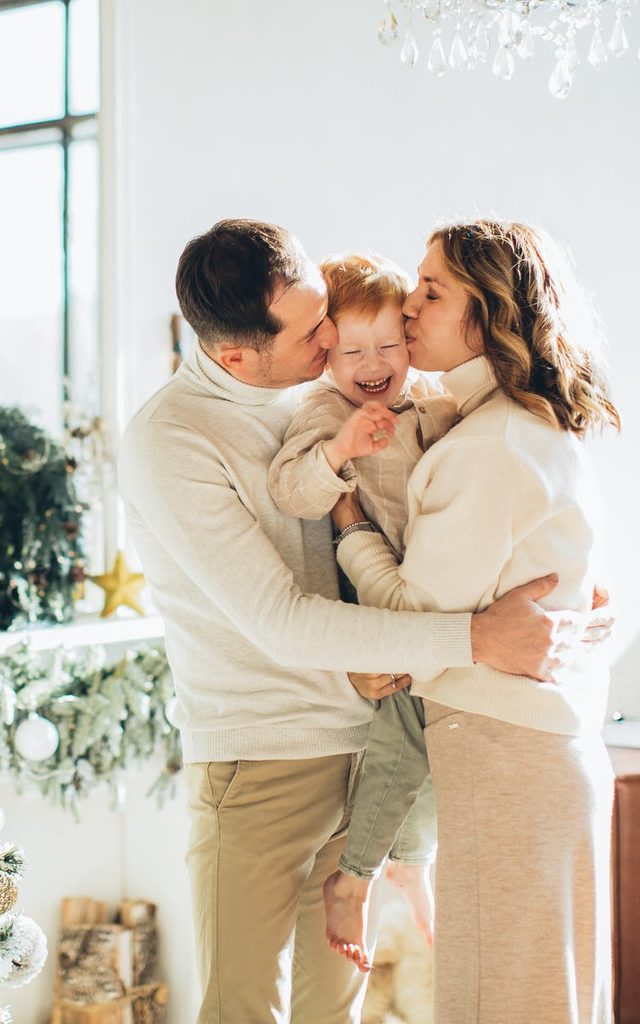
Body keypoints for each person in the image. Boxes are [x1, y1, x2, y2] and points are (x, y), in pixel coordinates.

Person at [117, 219, 577, 1024]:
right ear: (235, 357)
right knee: (243, 1011)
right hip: (261, 762)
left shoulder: (317, 391)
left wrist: (568, 607)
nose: (334, 337)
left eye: (322, 309)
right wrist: (476, 637)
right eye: (309, 331)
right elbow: (282, 621)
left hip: (362, 741)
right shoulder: (171, 438)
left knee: (336, 1014)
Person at [330, 220, 619, 1021]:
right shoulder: (521, 431)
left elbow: (413, 631)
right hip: (533, 762)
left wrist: (352, 528)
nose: (408, 308)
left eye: (432, 290)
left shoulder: (491, 447)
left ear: (488, 314)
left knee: (503, 999)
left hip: (506, 763)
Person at [268, 252, 454, 951]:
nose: (372, 364)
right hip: (374, 595)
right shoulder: (324, 408)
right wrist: (340, 450)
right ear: (327, 354)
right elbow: (291, 492)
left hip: (425, 587)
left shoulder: (431, 396)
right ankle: (363, 871)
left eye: (388, 346)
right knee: (406, 733)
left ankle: (407, 862)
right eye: (351, 351)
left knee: (436, 731)